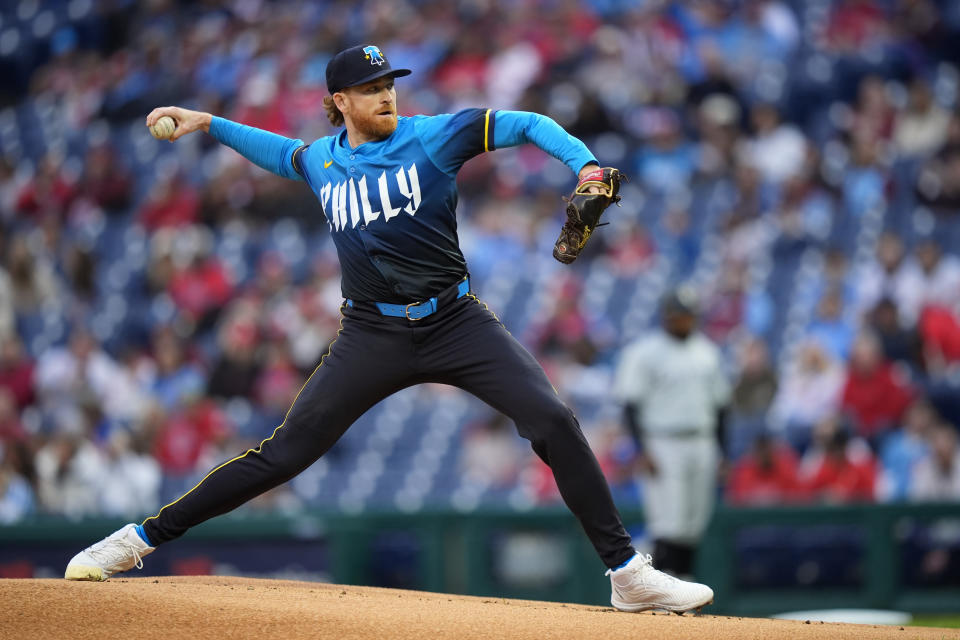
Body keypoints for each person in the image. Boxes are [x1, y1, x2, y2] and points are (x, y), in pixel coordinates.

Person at [63, 44, 713, 614]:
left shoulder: (431, 136)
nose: (386, 95)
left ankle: (627, 574)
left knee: (553, 421)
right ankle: (139, 539)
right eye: (371, 89)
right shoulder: (323, 159)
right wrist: (210, 122)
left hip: (456, 319)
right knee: (284, 453)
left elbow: (524, 123)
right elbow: (280, 153)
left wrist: (586, 166)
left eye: (389, 83)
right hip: (370, 334)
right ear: (339, 101)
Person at [613, 287, 731, 579]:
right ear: (666, 317)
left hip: (702, 440)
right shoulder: (645, 352)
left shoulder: (708, 352)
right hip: (662, 442)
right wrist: (641, 450)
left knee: (694, 522)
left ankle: (684, 587)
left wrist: (723, 453)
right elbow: (629, 406)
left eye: (688, 316)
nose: (683, 322)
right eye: (677, 316)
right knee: (668, 522)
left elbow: (722, 407)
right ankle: (660, 588)